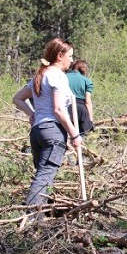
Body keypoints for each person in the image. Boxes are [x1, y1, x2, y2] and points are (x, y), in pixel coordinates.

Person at [12, 38, 83, 207]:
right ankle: (32, 218)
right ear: (60, 56)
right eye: (70, 56)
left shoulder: (40, 75)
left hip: (37, 132)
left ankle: (40, 214)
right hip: (53, 132)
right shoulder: (57, 76)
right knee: (45, 176)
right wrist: (75, 134)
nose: (72, 60)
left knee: (42, 175)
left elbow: (17, 98)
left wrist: (33, 114)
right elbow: (59, 110)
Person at [66, 60, 94, 133]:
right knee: (83, 134)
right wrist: (90, 120)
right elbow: (88, 101)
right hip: (81, 109)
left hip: (66, 107)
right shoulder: (87, 81)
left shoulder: (63, 77)